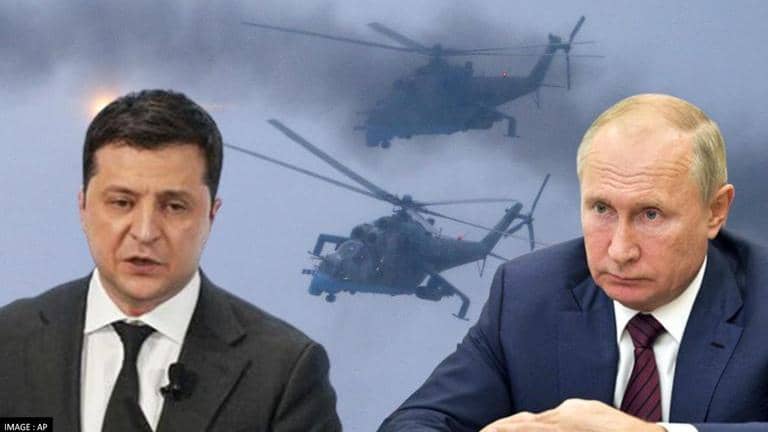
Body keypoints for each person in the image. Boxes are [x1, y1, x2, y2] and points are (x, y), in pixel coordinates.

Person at [378, 94, 768, 432]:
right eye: (601, 209)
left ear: (716, 211)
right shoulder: (527, 293)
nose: (620, 250)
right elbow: (416, 420)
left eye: (651, 215)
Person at [0, 89, 342, 431]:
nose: (145, 232)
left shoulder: (284, 372)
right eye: (122, 203)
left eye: (174, 207)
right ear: (83, 207)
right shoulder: (8, 341)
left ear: (211, 215)